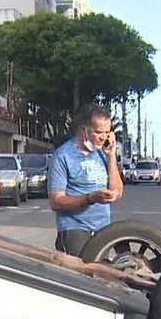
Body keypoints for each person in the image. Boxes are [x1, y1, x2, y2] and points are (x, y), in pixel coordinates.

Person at [47, 104, 124, 255]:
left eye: (107, 132)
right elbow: (56, 202)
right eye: (98, 132)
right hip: (74, 229)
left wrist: (111, 156)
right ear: (84, 130)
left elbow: (117, 192)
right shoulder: (63, 156)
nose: (103, 137)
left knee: (101, 275)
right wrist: (90, 198)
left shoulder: (103, 153)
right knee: (82, 275)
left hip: (102, 230)